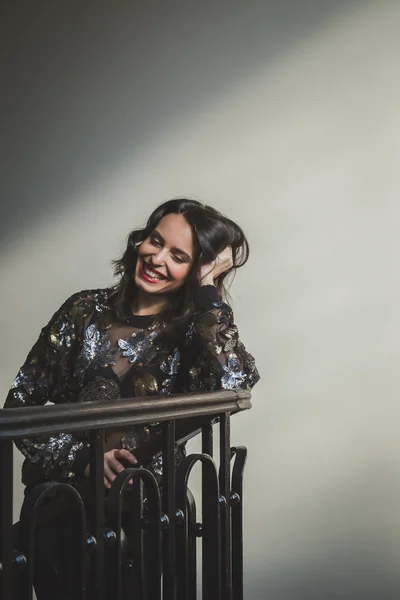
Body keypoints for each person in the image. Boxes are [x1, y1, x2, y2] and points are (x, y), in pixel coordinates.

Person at [5, 198, 259, 597]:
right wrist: (83, 459)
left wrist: (208, 292)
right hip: (61, 512)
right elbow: (20, 405)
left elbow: (237, 380)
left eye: (178, 255)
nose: (157, 258)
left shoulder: (195, 332)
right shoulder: (81, 310)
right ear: (140, 240)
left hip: (144, 519)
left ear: (195, 269)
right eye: (155, 241)